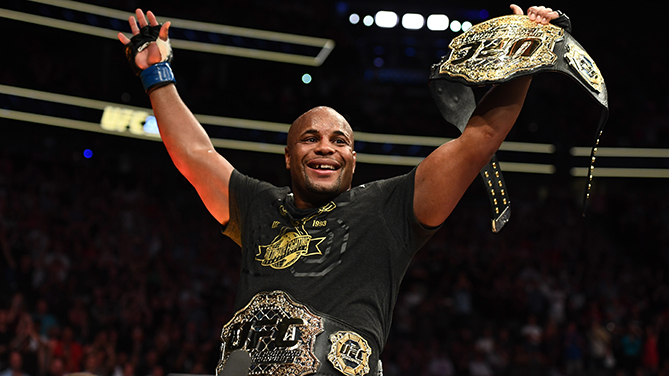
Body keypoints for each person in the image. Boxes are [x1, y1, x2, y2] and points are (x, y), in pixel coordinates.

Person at [118, 4, 561, 376]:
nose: (325, 147)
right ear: (289, 157)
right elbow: (195, 154)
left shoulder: (389, 208)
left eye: (339, 140)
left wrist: (527, 53)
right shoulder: (258, 206)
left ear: (353, 159)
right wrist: (156, 72)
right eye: (310, 138)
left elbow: (477, 141)